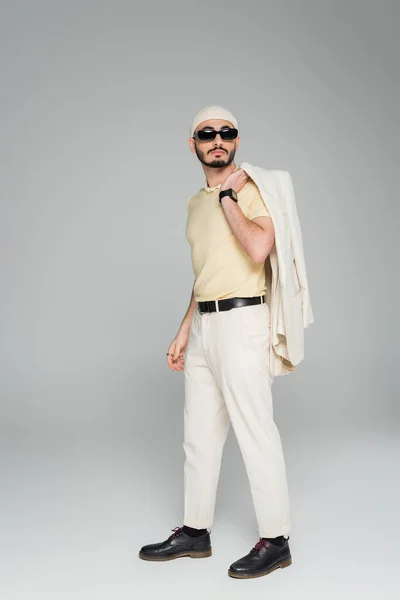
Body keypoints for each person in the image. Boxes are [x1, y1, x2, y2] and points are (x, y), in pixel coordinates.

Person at [139, 106, 292, 579]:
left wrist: (229, 197)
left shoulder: (249, 191)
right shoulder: (193, 204)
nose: (217, 140)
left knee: (255, 430)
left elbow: (258, 249)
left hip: (245, 320)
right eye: (207, 134)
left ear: (237, 140)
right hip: (206, 324)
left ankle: (277, 540)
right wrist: (185, 328)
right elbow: (203, 273)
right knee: (198, 435)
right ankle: (195, 531)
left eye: (226, 132)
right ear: (194, 144)